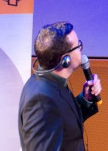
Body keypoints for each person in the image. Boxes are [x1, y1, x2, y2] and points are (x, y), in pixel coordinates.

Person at [19, 21, 102, 151]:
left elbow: (64, 123)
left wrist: (85, 99)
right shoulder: (41, 101)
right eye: (77, 46)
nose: (81, 49)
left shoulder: (53, 83)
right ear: (65, 59)